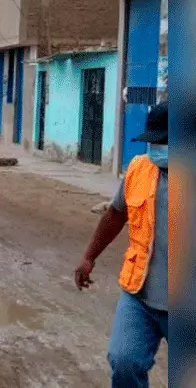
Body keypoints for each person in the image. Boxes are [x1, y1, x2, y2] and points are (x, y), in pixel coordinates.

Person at [74, 103, 168, 388]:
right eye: (153, 142)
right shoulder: (140, 169)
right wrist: (89, 256)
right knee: (124, 361)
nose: (156, 149)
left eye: (163, 142)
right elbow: (116, 214)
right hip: (140, 294)